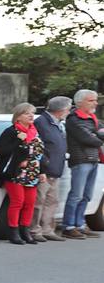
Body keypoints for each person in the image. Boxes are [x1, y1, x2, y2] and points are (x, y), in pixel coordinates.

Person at [0, 103, 46, 245]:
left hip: (32, 172)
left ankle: (25, 230)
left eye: (32, 113)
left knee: (30, 202)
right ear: (18, 117)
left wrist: (43, 171)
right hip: (15, 172)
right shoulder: (11, 132)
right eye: (27, 113)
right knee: (18, 201)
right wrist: (18, 141)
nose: (31, 116)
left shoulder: (34, 131)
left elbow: (40, 154)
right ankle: (13, 231)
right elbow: (2, 151)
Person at [62, 89, 104, 239]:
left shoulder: (92, 118)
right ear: (80, 102)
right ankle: (68, 226)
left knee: (87, 195)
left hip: (93, 159)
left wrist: (96, 135)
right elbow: (87, 138)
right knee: (76, 195)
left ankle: (80, 224)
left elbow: (99, 133)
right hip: (80, 160)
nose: (95, 103)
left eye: (95, 100)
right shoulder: (73, 119)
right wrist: (97, 136)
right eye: (91, 100)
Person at [31, 96, 71, 242]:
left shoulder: (58, 123)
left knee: (51, 201)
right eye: (68, 109)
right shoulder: (41, 122)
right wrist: (43, 165)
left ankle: (48, 229)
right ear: (61, 111)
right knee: (39, 202)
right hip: (45, 170)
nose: (69, 111)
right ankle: (35, 230)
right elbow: (37, 146)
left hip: (55, 169)